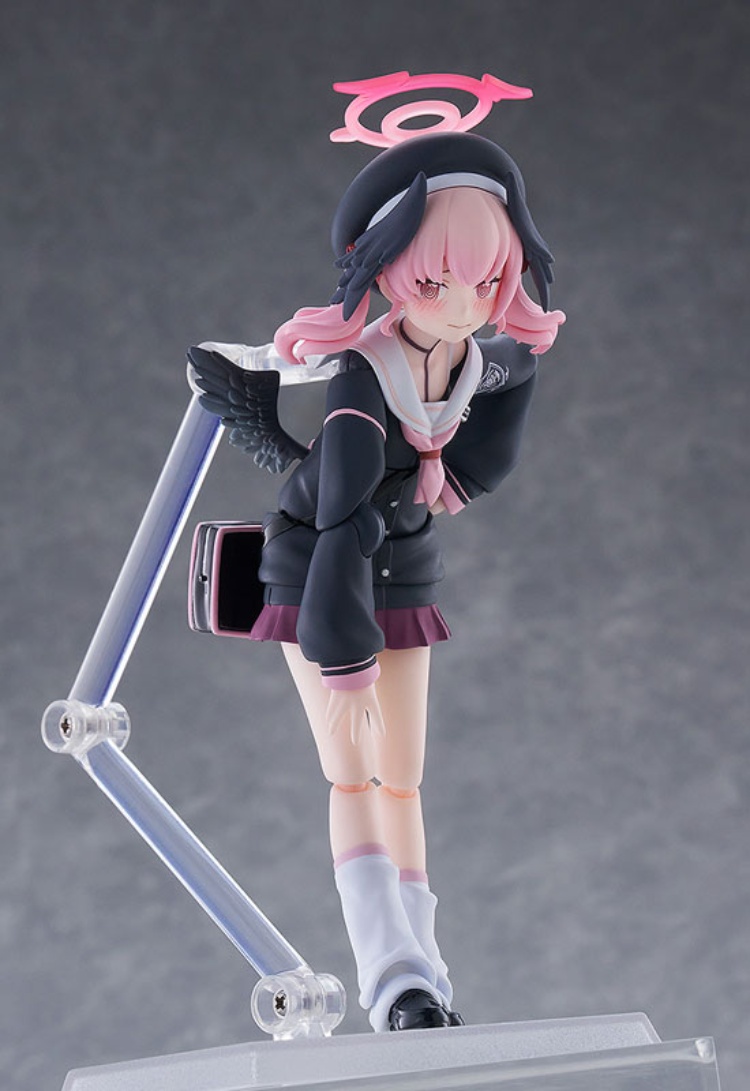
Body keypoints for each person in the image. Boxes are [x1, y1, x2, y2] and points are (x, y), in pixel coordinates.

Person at [190, 84, 565, 1032]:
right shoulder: (362, 380)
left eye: (487, 279)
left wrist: (457, 475)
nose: (466, 304)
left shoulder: (477, 358)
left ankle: (427, 973)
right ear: (390, 271)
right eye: (438, 282)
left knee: (404, 777)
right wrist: (344, 659)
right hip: (323, 573)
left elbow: (516, 377)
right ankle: (392, 975)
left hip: (403, 564)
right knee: (352, 775)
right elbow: (340, 521)